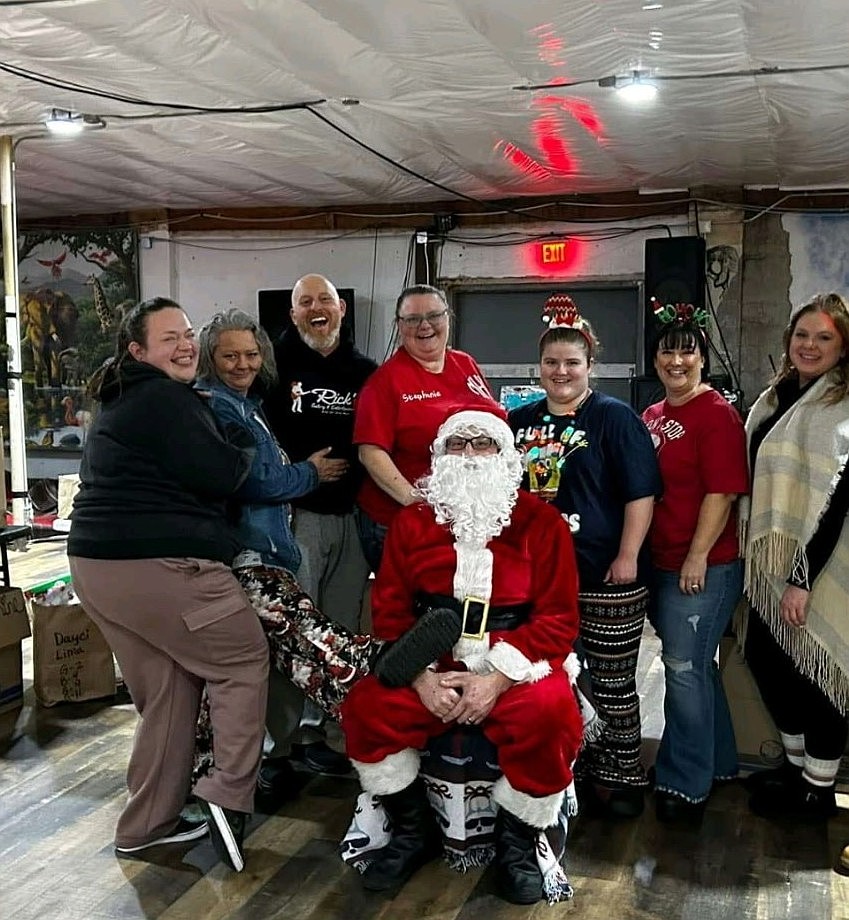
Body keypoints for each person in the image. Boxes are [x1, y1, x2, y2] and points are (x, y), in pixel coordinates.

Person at [192, 309, 460, 781]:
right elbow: (257, 480)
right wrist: (310, 472)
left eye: (251, 354)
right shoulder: (217, 408)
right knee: (309, 639)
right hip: (249, 556)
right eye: (229, 355)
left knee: (298, 654)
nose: (242, 363)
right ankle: (377, 667)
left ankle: (283, 751)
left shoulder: (245, 404)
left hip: (275, 545)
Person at [340, 409, 584, 905]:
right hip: (431, 663)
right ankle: (414, 832)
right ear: (439, 455)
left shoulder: (541, 522)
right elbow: (389, 610)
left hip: (516, 664)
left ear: (505, 455)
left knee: (552, 715)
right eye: (458, 444)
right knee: (366, 708)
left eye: (483, 444)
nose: (470, 455)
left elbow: (558, 618)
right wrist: (421, 679)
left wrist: (497, 680)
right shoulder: (412, 521)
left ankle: (516, 844)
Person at [67, 298, 269, 874]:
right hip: (158, 565)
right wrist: (245, 445)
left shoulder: (126, 397)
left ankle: (145, 826)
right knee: (241, 660)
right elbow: (226, 473)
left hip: (97, 565)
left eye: (187, 334)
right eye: (169, 339)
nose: (185, 345)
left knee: (171, 693)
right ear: (137, 351)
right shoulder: (164, 397)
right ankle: (228, 796)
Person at [508, 294, 662, 818]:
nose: (561, 371)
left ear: (590, 366)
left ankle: (621, 779)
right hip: (538, 580)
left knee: (613, 681)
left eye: (572, 363)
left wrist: (628, 554)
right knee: (551, 679)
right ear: (539, 366)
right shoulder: (519, 419)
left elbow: (641, 493)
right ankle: (564, 772)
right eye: (551, 363)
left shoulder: (616, 419)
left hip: (603, 572)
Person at [738, 292, 849, 826]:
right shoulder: (776, 397)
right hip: (769, 565)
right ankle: (797, 768)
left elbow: (837, 499)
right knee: (767, 659)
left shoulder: (843, 403)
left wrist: (803, 579)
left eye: (824, 337)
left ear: (843, 346)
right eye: (802, 335)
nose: (810, 345)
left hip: (822, 564)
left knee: (820, 668)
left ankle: (819, 788)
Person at [264, 274, 377, 777]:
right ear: (292, 315)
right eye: (305, 302)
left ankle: (334, 736)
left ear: (341, 309)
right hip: (295, 520)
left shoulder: (365, 371)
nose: (316, 308)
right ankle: (278, 750)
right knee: (289, 635)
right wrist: (302, 472)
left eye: (325, 300)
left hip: (351, 519)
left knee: (342, 633)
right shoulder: (272, 368)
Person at [641, 306, 748, 824]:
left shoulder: (716, 414)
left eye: (687, 350)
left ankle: (684, 783)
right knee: (697, 668)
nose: (677, 359)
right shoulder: (655, 414)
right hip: (662, 562)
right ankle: (719, 763)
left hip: (702, 566)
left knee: (682, 671)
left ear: (703, 359)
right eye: (668, 349)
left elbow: (723, 491)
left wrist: (698, 556)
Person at [353, 284, 501, 570]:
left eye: (434, 315)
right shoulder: (385, 382)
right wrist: (416, 502)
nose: (425, 326)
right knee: (422, 610)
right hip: (404, 524)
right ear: (399, 326)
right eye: (412, 319)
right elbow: (370, 453)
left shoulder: (465, 364)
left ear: (448, 318)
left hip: (464, 522)